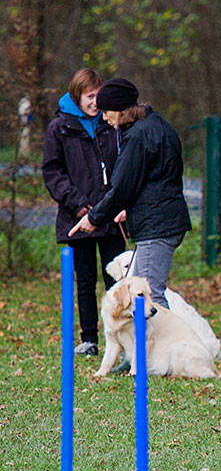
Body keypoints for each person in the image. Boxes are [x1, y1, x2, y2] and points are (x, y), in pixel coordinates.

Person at [68, 78, 191, 311]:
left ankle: (157, 347)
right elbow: (155, 179)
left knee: (147, 296)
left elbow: (122, 188)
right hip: (165, 220)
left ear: (119, 108)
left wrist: (94, 219)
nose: (104, 117)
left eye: (105, 111)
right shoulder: (158, 125)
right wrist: (132, 207)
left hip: (157, 226)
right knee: (148, 292)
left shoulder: (137, 136)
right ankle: (144, 347)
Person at [42, 68, 126, 355]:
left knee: (117, 279)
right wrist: (78, 205)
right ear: (77, 96)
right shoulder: (59, 128)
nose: (95, 102)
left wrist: (113, 204)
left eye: (98, 96)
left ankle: (123, 339)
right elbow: (54, 173)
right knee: (85, 280)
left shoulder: (111, 124)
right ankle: (89, 338)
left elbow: (121, 168)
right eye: (90, 96)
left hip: (111, 216)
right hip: (77, 218)